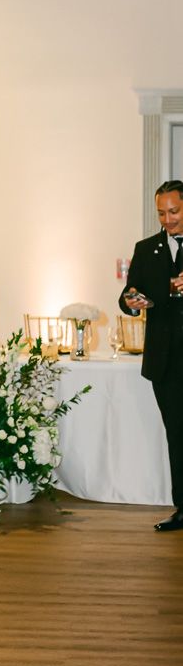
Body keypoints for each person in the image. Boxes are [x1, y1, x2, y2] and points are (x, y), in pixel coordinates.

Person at [120, 178, 183, 532]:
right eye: (161, 213)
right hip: (166, 361)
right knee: (177, 434)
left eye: (173, 211)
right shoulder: (146, 249)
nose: (167, 220)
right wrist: (131, 301)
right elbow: (129, 293)